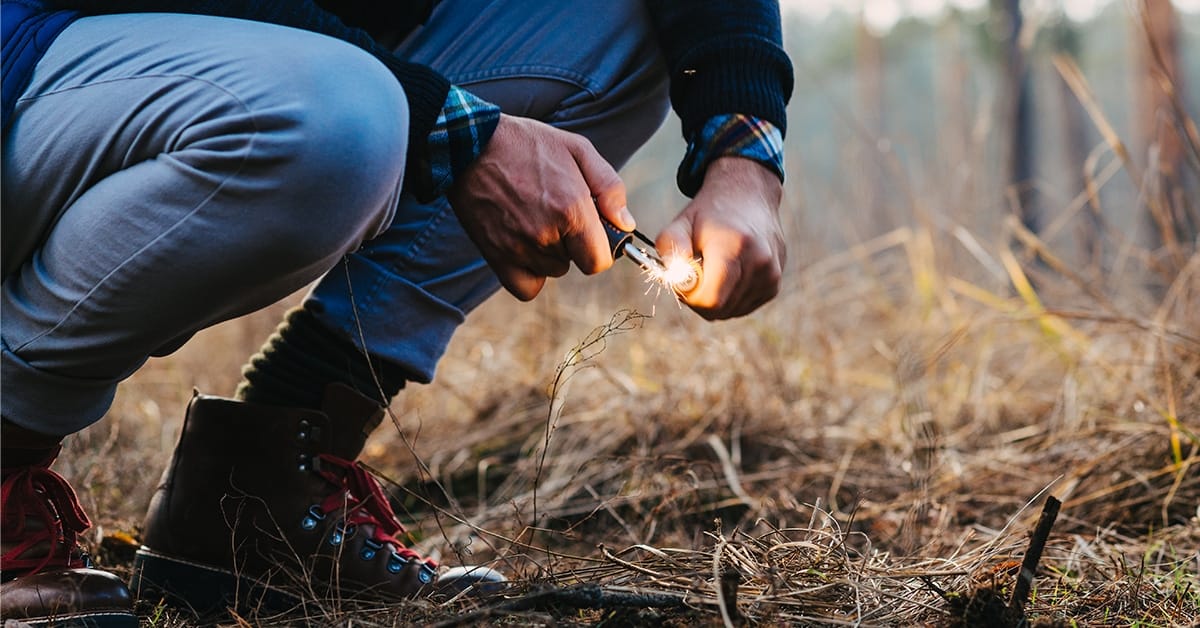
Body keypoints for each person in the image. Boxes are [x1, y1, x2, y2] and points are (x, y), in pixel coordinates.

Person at [0, 0, 793, 624]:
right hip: (38, 62)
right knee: (342, 118)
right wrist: (461, 130)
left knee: (616, 26)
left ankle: (257, 499)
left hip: (253, 69)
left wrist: (744, 156)